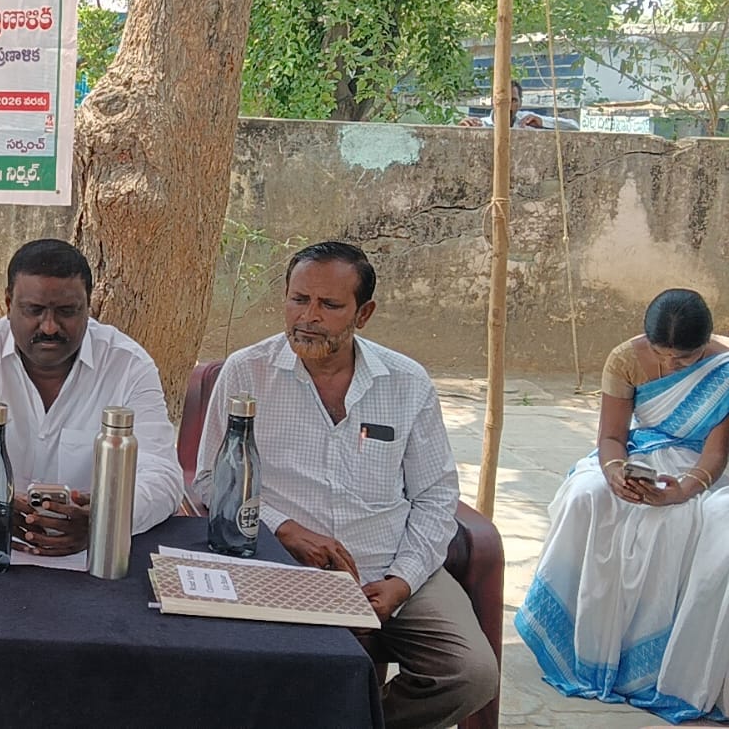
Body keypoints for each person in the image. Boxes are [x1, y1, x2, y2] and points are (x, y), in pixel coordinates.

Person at [194, 241, 497, 729]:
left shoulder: (406, 382)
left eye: (329, 305)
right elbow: (210, 479)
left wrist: (402, 580)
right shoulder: (247, 372)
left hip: (389, 564)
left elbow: (436, 496)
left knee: (470, 674)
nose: (308, 317)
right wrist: (284, 528)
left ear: (364, 313)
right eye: (299, 299)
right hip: (285, 567)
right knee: (310, 671)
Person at [516, 288, 729, 723]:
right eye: (663, 355)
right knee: (585, 496)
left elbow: (716, 454)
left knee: (673, 522)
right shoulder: (625, 359)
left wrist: (680, 491)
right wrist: (615, 473)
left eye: (684, 360)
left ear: (705, 344)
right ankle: (582, 645)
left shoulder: (723, 370)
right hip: (638, 454)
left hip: (698, 468)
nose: (672, 366)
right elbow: (612, 436)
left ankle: (644, 665)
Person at [0, 239, 184, 555]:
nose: (50, 327)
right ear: (9, 303)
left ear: (89, 306)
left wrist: (105, 520)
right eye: (34, 310)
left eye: (67, 311)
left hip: (93, 559)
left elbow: (163, 476)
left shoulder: (128, 365)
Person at [458, 79, 579, 130]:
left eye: (514, 100)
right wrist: (461, 129)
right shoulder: (480, 125)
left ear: (520, 103)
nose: (508, 105)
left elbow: (574, 126)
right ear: (493, 102)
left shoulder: (526, 122)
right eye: (503, 100)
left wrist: (542, 122)